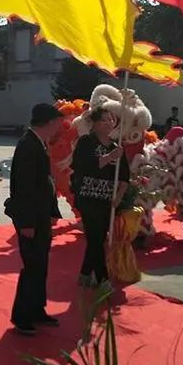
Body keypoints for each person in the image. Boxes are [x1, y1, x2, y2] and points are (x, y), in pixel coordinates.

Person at [5, 103, 63, 336]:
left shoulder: (39, 144)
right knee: (32, 267)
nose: (60, 127)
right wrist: (27, 223)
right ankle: (22, 316)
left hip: (40, 217)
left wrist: (52, 211)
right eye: (58, 122)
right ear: (48, 122)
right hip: (30, 219)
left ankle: (37, 309)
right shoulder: (28, 145)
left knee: (41, 266)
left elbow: (46, 183)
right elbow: (24, 187)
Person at [71, 105, 130, 298]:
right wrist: (109, 157)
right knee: (96, 238)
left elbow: (124, 177)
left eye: (111, 119)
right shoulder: (86, 142)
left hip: (106, 200)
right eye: (104, 119)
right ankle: (103, 280)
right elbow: (86, 166)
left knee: (97, 238)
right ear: (94, 124)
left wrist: (118, 197)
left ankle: (85, 273)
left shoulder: (117, 147)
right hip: (87, 198)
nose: (109, 123)